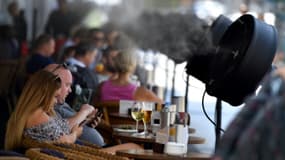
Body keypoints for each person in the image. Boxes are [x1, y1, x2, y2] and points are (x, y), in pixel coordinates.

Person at [5, 69, 141, 153]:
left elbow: (58, 132)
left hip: (81, 152)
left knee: (134, 147)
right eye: (54, 96)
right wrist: (76, 133)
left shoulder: (34, 113)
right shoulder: (37, 114)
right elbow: (63, 141)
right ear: (43, 95)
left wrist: (83, 123)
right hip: (79, 155)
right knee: (135, 147)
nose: (55, 101)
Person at [44, 63, 105, 146]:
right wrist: (83, 112)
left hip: (95, 149)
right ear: (52, 84)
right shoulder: (48, 107)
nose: (70, 90)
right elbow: (58, 131)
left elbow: (68, 125)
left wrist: (85, 120)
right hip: (84, 152)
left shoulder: (60, 103)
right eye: (67, 85)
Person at [96, 46, 163, 104]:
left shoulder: (101, 87)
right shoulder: (140, 92)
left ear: (116, 65)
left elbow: (94, 107)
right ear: (133, 67)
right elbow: (162, 105)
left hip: (105, 119)